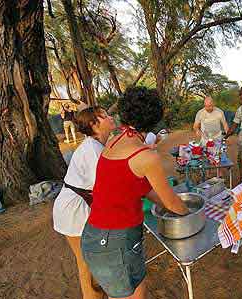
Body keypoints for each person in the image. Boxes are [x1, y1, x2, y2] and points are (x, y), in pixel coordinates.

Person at [81, 86, 189, 299]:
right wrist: (189, 211)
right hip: (115, 242)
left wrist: (168, 202)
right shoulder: (146, 156)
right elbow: (172, 203)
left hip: (95, 235)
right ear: (153, 121)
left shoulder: (113, 142)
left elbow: (142, 188)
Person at [53, 107, 116, 299]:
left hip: (79, 206)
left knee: (91, 260)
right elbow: (106, 188)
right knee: (86, 263)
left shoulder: (96, 145)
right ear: (94, 125)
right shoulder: (93, 150)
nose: (110, 117)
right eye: (104, 116)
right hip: (74, 210)